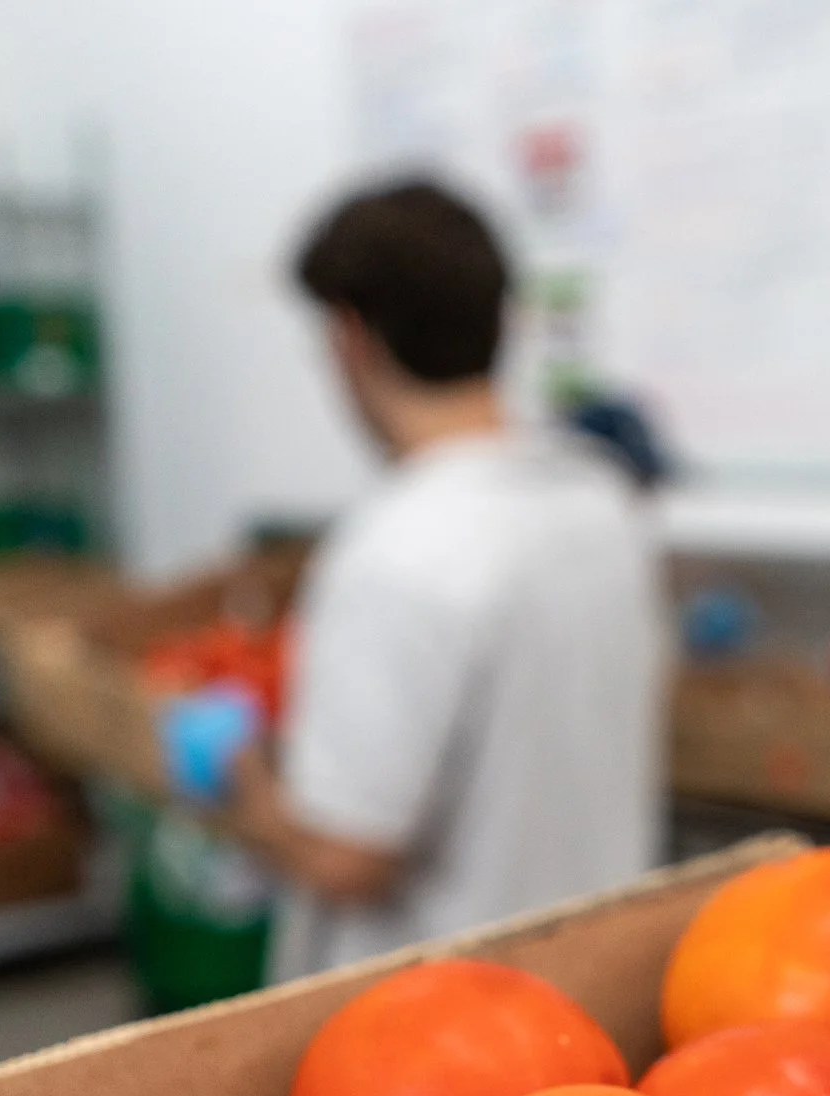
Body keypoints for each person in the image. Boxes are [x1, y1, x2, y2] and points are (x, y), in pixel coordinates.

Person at [228, 181, 663, 979]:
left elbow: (349, 857)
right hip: (593, 987)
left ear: (349, 339)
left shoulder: (399, 549)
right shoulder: (601, 506)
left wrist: (243, 787)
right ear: (501, 323)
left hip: (436, 1036)